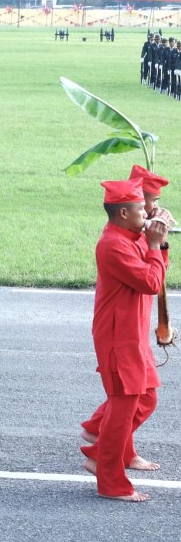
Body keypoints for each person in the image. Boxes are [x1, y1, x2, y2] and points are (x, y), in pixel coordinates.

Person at [79, 179, 169, 502]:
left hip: (132, 335)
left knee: (146, 397)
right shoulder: (113, 245)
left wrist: (158, 242)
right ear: (121, 213)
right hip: (118, 338)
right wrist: (156, 245)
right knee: (124, 405)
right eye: (141, 209)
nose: (146, 212)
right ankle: (110, 479)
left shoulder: (129, 236)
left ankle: (105, 449)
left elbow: (154, 270)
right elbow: (151, 280)